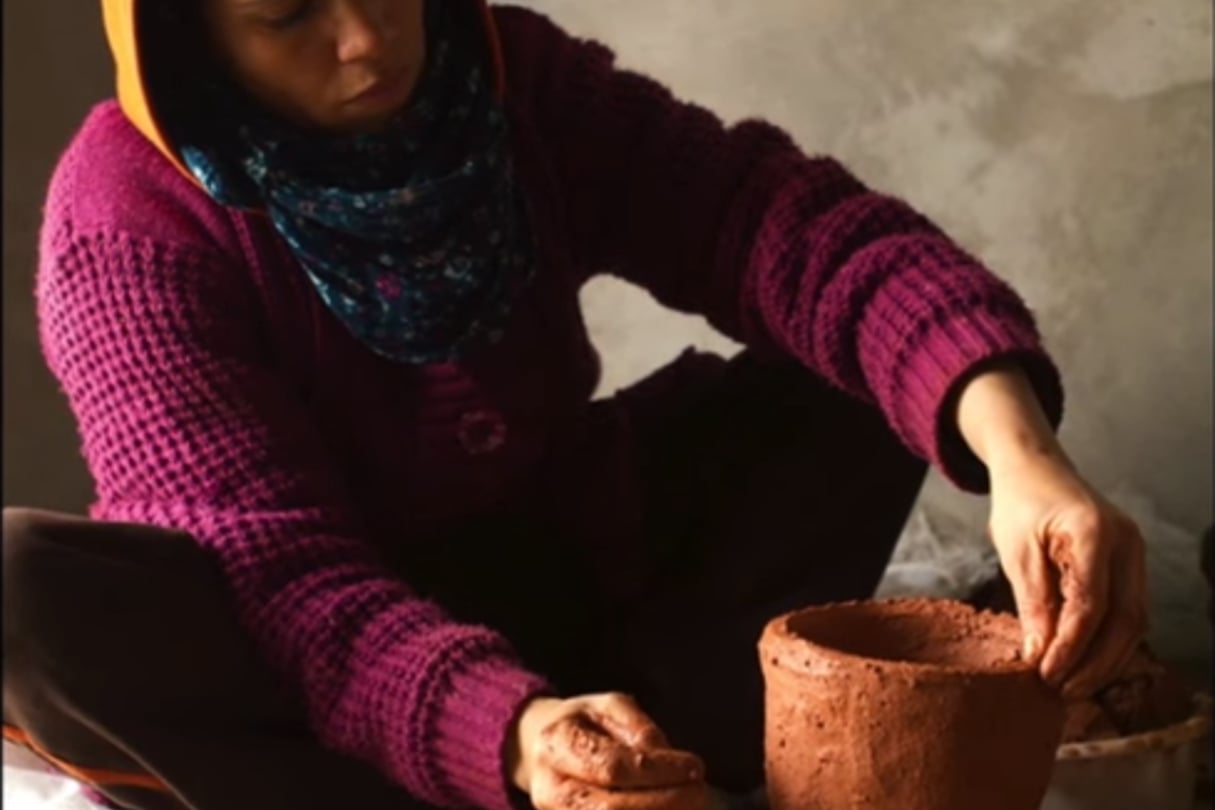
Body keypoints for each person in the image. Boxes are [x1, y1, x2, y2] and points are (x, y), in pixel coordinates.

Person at [2, 1, 1149, 809]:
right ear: (186, 37)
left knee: (877, 376)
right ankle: (533, 768)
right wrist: (505, 729)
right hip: (320, 656)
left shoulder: (510, 80)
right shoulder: (126, 222)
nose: (365, 38)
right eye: (287, 12)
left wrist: (1022, 459)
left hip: (576, 572)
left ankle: (640, 740)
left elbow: (782, 226)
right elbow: (283, 576)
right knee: (21, 591)